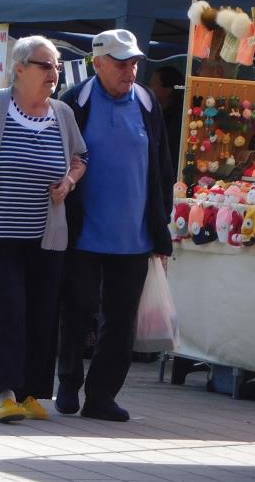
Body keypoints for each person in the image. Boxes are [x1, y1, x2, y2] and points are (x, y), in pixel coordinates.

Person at [0, 36, 87, 423]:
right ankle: (4, 394)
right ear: (20, 69)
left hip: (46, 236)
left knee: (42, 315)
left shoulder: (62, 113)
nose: (54, 73)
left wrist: (69, 181)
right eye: (46, 65)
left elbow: (80, 157)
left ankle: (30, 394)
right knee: (6, 312)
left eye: (57, 66)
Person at [56, 29, 173, 422]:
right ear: (98, 63)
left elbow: (161, 168)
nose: (130, 71)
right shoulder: (75, 102)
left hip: (134, 236)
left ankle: (102, 395)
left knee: (121, 321)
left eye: (135, 63)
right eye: (122, 63)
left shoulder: (147, 102)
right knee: (77, 310)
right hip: (84, 232)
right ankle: (68, 381)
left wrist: (161, 228)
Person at [147, 64, 184, 173]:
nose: (148, 89)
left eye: (152, 85)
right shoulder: (154, 113)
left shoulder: (177, 121)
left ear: (167, 90)